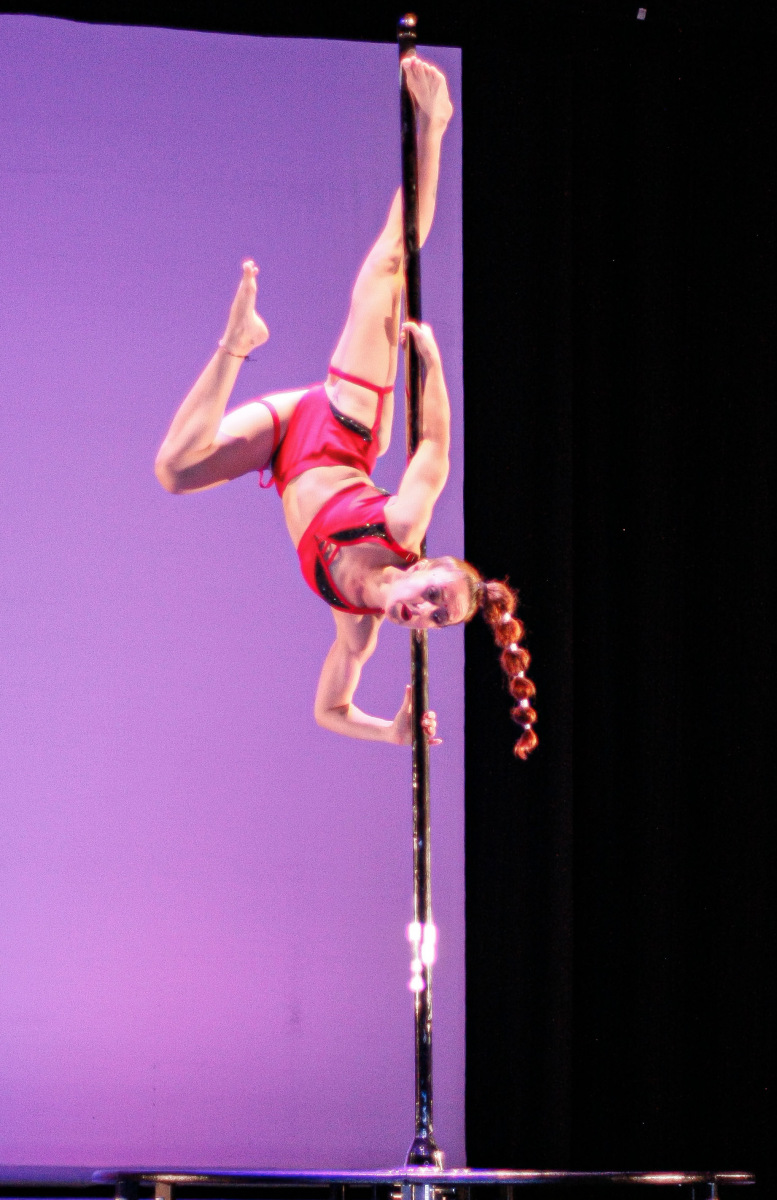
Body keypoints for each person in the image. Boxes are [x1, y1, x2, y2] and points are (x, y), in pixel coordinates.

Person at [155, 56, 537, 759]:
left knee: (175, 472)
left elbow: (329, 708)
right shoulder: (402, 523)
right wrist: (431, 366)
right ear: (423, 565)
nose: (422, 612)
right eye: (435, 595)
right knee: (389, 263)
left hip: (283, 451)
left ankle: (239, 343)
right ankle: (435, 125)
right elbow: (433, 449)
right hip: (342, 425)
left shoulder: (357, 624)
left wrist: (389, 731)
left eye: (434, 620)